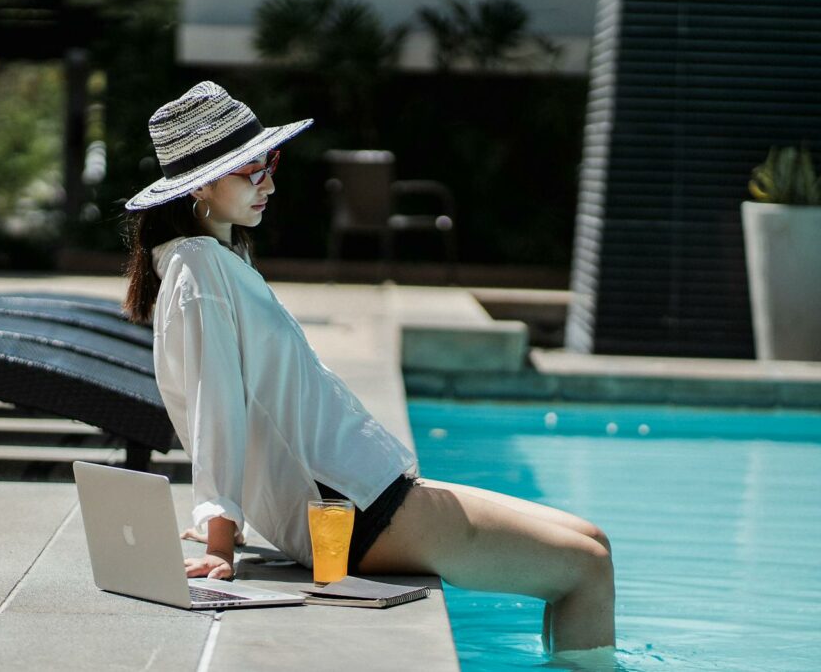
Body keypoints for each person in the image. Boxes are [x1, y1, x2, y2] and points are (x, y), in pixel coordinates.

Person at [122, 81, 614, 655]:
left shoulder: (212, 259)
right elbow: (217, 405)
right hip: (351, 509)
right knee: (585, 570)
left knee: (592, 541)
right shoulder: (201, 269)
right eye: (251, 171)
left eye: (269, 164)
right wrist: (220, 537)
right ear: (201, 183)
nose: (270, 183)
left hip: (364, 491)